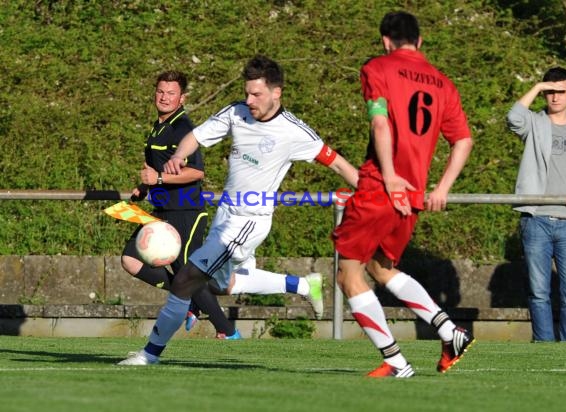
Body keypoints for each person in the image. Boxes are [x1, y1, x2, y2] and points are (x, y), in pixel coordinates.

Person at [117, 54, 358, 365]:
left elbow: (338, 163)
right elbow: (195, 136)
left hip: (249, 221)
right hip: (225, 216)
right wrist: (178, 156)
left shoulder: (294, 132)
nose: (249, 100)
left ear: (276, 92)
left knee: (185, 278)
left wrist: (374, 193)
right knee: (220, 285)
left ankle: (150, 354)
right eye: (247, 92)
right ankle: (301, 284)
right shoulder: (236, 113)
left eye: (256, 94)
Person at [332, 11, 475, 378]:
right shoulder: (443, 83)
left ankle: (396, 361)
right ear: (419, 41)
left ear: (385, 41)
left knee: (348, 273)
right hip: (412, 197)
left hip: (382, 185)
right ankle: (448, 331)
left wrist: (391, 175)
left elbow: (380, 121)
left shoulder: (377, 68)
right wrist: (441, 188)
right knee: (381, 267)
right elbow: (463, 140)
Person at [120, 70, 240, 339]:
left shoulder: (183, 128)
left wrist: (158, 177)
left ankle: (228, 330)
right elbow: (157, 168)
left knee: (189, 273)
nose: (164, 97)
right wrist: (146, 187)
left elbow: (197, 172)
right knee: (129, 259)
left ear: (182, 98)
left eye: (171, 93)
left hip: (186, 212)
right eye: (160, 91)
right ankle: (190, 301)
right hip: (162, 211)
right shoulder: (158, 126)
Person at [507, 66, 566, 342]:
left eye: (561, 91)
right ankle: (544, 346)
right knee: (539, 292)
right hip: (536, 220)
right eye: (550, 91)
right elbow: (512, 118)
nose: (555, 97)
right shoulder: (534, 123)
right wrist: (536, 88)